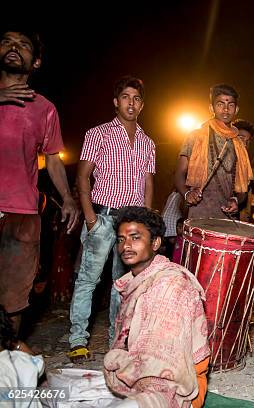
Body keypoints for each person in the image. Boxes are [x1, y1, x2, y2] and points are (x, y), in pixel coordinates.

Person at [68, 76, 156, 362]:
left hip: (131, 223)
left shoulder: (147, 141)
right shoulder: (99, 134)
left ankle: (117, 342)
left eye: (137, 99)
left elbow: (148, 183)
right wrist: (92, 219)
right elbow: (82, 176)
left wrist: (144, 222)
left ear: (142, 105)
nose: (132, 103)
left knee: (125, 284)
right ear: (116, 102)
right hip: (103, 215)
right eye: (126, 97)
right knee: (88, 280)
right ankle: (78, 339)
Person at [0, 28, 79, 336]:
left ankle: (6, 363)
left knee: (14, 296)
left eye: (23, 45)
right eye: (6, 41)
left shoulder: (44, 109)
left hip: (23, 214)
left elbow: (54, 159)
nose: (13, 47)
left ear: (36, 63)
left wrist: (68, 199)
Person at [104, 207, 210, 407]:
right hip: (141, 370)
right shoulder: (132, 282)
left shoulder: (171, 283)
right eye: (120, 239)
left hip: (180, 382)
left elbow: (166, 363)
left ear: (155, 243)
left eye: (135, 238)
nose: (126, 245)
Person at [175, 84, 253, 220]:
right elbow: (179, 174)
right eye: (220, 104)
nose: (226, 109)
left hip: (227, 218)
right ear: (211, 108)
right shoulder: (196, 136)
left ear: (236, 109)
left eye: (230, 105)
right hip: (198, 214)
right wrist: (187, 194)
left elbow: (242, 189)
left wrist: (236, 200)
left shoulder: (239, 145)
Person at [161, 189, 182, 258]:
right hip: (168, 219)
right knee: (169, 246)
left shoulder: (184, 193)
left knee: (172, 246)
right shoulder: (175, 192)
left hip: (173, 220)